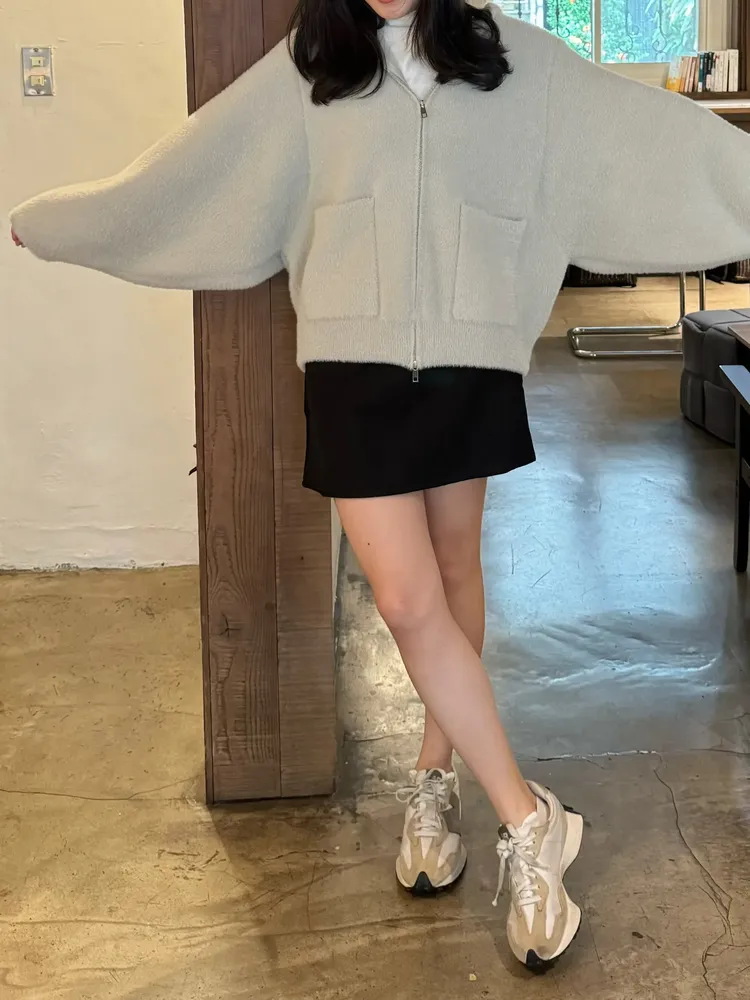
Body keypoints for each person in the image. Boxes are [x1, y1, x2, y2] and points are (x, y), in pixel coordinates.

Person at [11, 0, 750, 973]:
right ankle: (530, 819)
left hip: (472, 363)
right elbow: (199, 170)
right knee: (405, 600)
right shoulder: (312, 65)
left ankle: (435, 784)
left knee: (454, 571)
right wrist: (68, 223)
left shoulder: (513, 60)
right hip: (351, 371)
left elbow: (648, 140)